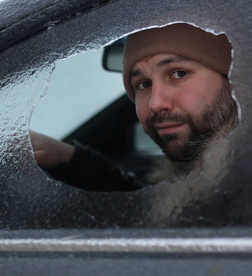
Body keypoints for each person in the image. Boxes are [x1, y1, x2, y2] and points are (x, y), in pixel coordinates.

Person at [30, 23, 238, 191]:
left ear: (233, 79)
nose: (155, 103)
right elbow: (145, 211)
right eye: (143, 84)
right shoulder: (211, 177)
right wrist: (64, 157)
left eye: (179, 74)